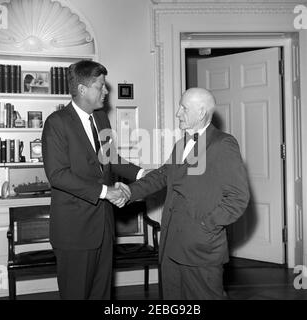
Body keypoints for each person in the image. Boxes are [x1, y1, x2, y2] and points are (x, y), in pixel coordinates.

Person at [117, 88, 250, 300]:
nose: (178, 113)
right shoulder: (182, 144)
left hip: (201, 248)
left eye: (183, 108)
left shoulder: (223, 144)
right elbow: (162, 175)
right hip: (171, 245)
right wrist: (128, 192)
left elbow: (238, 198)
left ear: (201, 112)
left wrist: (207, 226)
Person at [42, 60, 143, 300]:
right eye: (101, 86)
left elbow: (111, 158)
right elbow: (58, 175)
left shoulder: (101, 120)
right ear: (82, 89)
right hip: (74, 232)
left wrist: (142, 175)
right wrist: (105, 192)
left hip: (104, 228)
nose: (106, 91)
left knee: (102, 295)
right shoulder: (56, 123)